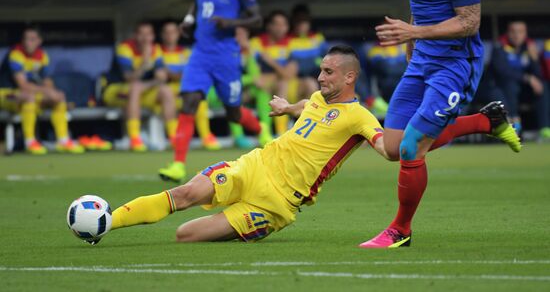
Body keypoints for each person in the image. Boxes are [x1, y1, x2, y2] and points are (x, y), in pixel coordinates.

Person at [360, 0, 521, 248]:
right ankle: (486, 120)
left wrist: (414, 33)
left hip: (454, 64)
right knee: (391, 147)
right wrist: (412, 40)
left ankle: (400, 230)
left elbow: (469, 22)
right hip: (421, 59)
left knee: (410, 147)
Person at [105, 46, 389, 243]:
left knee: (185, 235)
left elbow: (387, 149)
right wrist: (288, 107)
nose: (320, 77)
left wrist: (420, 138)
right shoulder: (317, 99)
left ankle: (246, 226)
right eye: (321, 70)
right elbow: (308, 105)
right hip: (254, 166)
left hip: (276, 203)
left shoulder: (359, 116)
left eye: (328, 72)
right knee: (185, 193)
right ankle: (105, 223)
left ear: (349, 77)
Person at [158, 0, 271, 183]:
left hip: (226, 57)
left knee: (233, 113)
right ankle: (178, 164)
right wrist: (188, 21)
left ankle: (262, 131)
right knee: (189, 102)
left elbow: (257, 19)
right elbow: (196, 6)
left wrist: (231, 23)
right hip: (200, 55)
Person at [0, 26, 84, 154]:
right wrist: (46, 91)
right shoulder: (16, 54)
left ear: (39, 41)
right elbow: (23, 85)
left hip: (28, 95)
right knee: (29, 96)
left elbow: (47, 81)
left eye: (32, 39)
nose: (28, 42)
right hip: (6, 94)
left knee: (58, 97)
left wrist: (52, 93)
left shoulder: (42, 55)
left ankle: (63, 140)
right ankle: (30, 142)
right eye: (26, 39)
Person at [103, 21, 177, 152]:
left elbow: (162, 77)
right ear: (135, 35)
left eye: (148, 34)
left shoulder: (156, 49)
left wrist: (159, 77)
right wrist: (145, 61)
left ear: (153, 36)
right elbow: (129, 79)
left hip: (141, 92)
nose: (145, 38)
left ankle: (174, 138)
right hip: (115, 91)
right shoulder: (125, 48)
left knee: (166, 90)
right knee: (135, 87)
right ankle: (134, 138)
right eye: (141, 34)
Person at [160, 20, 221, 151]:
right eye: (167, 32)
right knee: (167, 92)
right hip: (161, 94)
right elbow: (160, 76)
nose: (170, 35)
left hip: (182, 90)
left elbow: (193, 74)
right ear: (162, 35)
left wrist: (172, 74)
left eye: (173, 32)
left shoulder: (186, 52)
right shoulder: (157, 51)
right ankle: (174, 136)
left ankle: (206, 136)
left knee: (198, 96)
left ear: (178, 33)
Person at [481, 21, 546, 134]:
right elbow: (503, 72)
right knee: (510, 86)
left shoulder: (529, 48)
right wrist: (528, 78)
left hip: (523, 91)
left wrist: (535, 60)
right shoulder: (499, 47)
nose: (517, 35)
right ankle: (515, 124)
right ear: (508, 33)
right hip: (499, 89)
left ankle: (545, 129)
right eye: (513, 32)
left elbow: (538, 75)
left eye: (520, 32)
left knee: (543, 86)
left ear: (525, 34)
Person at [250, 10, 296, 136]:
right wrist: (277, 73)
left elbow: (289, 75)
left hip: (285, 85)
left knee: (288, 83)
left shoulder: (290, 43)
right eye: (277, 24)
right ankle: (268, 132)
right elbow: (256, 77)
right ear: (269, 26)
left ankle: (286, 132)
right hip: (258, 88)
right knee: (266, 87)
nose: (281, 28)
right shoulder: (256, 43)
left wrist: (271, 63)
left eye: (284, 24)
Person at [288, 4, 325, 103]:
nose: (301, 24)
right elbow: (290, 67)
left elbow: (327, 58)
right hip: (296, 80)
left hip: (319, 76)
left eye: (304, 21)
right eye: (298, 21)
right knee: (310, 84)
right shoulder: (288, 40)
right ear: (293, 21)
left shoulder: (317, 37)